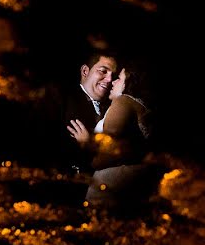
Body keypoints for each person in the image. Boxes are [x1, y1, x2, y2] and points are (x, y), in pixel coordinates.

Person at [69, 63, 160, 212]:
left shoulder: (123, 101)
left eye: (119, 79)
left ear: (130, 83)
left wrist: (87, 144)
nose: (113, 81)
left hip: (111, 186)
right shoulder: (143, 109)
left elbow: (108, 152)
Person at [57, 52, 118, 172]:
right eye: (103, 71)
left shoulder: (112, 107)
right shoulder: (63, 99)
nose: (109, 79)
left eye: (113, 75)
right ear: (85, 71)